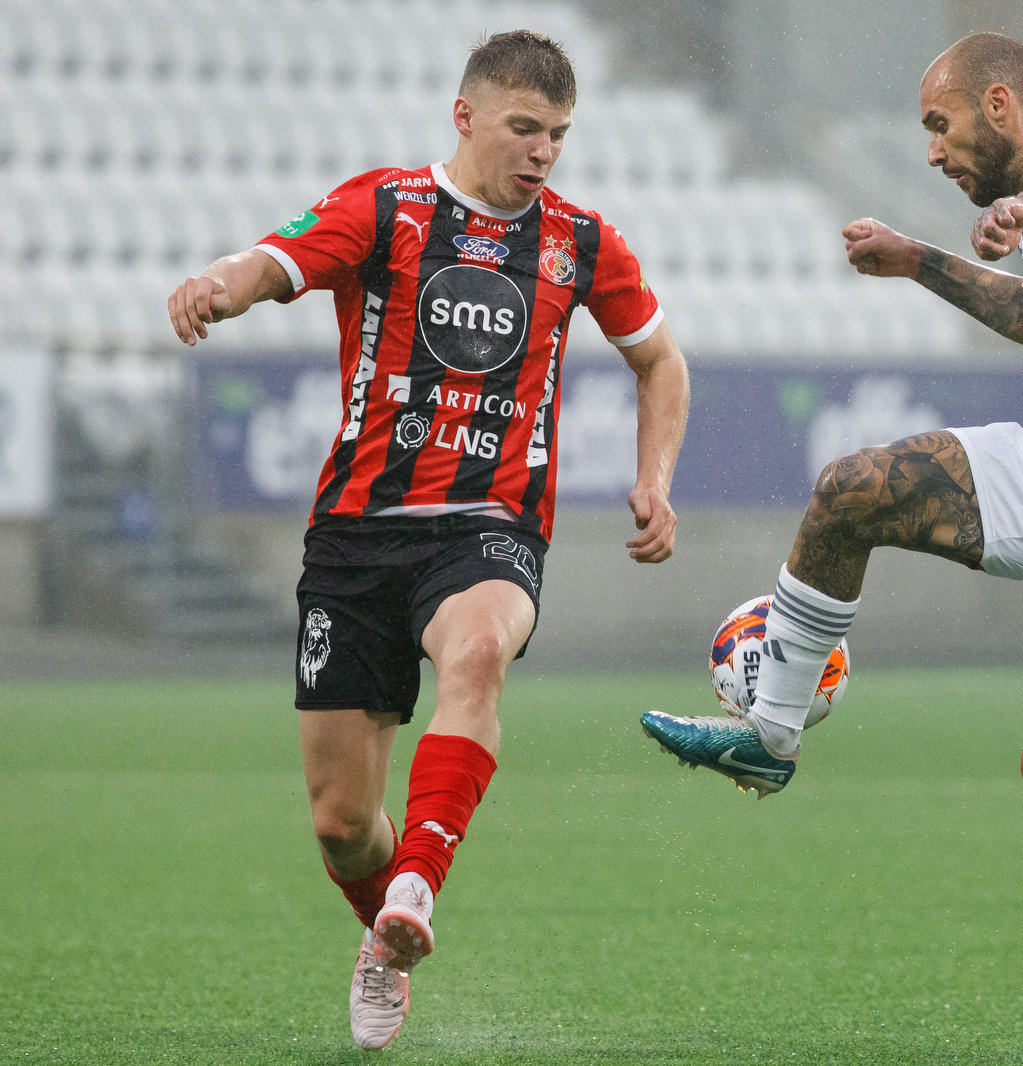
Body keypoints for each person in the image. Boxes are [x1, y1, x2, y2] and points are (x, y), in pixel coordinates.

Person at [643, 33, 1023, 1061]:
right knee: (853, 490)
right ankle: (773, 733)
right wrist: (915, 258)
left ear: (1003, 105)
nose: (931, 150)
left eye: (940, 124)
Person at [165, 31, 689, 1051]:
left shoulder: (581, 243)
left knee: (481, 648)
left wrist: (653, 480)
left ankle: (419, 883)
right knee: (340, 821)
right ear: (466, 116)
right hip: (359, 534)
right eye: (524, 128)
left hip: (489, 526)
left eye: (559, 136)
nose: (543, 152)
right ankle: (384, 935)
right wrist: (219, 287)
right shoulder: (388, 205)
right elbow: (276, 261)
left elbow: (661, 360)